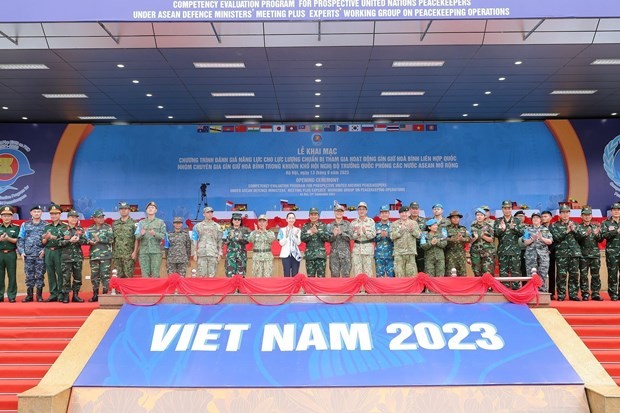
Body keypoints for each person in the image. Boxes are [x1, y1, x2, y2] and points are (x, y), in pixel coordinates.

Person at [550, 205, 582, 301]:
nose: (565, 214)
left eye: (567, 212)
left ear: (569, 213)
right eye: (563, 212)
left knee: (574, 275)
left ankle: (573, 294)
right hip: (561, 254)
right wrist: (567, 231)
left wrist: (574, 230)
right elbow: (555, 237)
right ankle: (561, 295)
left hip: (574, 254)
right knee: (561, 276)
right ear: (560, 214)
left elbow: (581, 237)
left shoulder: (575, 224)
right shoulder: (554, 225)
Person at [17, 205, 46, 302]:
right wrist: (21, 252)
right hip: (28, 255)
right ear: (31, 213)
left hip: (40, 255)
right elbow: (20, 239)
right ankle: (29, 296)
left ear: (41, 213)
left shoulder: (46, 225)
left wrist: (45, 250)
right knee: (29, 275)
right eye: (35, 211)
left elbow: (49, 240)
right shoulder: (25, 225)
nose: (37, 213)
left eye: (38, 211)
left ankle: (39, 296)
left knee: (40, 275)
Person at [494, 200, 525, 289]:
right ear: (502, 209)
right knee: (503, 273)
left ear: (511, 209)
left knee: (515, 272)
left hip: (515, 251)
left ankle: (516, 292)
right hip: (503, 251)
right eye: (505, 208)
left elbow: (522, 233)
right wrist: (502, 229)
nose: (507, 210)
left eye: (509, 208)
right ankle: (505, 291)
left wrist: (514, 228)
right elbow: (495, 234)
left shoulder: (516, 220)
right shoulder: (498, 221)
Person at [58, 210, 87, 303]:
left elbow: (85, 241)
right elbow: (58, 243)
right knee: (66, 278)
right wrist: (69, 241)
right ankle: (66, 296)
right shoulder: (62, 229)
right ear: (68, 218)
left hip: (77, 257)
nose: (74, 219)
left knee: (77, 277)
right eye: (72, 217)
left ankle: (75, 295)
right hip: (66, 258)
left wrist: (78, 240)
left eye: (75, 217)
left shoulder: (80, 229)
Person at [521, 212, 553, 292]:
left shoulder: (545, 229)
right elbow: (525, 242)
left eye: (537, 218)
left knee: (543, 273)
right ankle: (531, 291)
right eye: (534, 218)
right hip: (531, 255)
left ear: (540, 220)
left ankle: (542, 292)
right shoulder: (527, 230)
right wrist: (532, 239)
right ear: (531, 220)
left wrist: (542, 238)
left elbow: (550, 241)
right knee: (531, 274)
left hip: (543, 256)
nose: (535, 219)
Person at [576, 206, 602, 301]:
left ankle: (595, 293)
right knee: (583, 275)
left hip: (595, 255)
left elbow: (600, 239)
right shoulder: (578, 227)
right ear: (581, 216)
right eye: (585, 215)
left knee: (595, 275)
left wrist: (597, 234)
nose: (587, 217)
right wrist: (585, 234)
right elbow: (576, 239)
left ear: (591, 216)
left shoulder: (595, 226)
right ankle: (585, 293)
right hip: (583, 254)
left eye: (589, 215)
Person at [86, 210, 113, 302]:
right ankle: (95, 294)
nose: (101, 219)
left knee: (105, 276)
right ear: (94, 219)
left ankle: (105, 295)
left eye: (102, 217)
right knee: (94, 276)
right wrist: (89, 241)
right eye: (99, 217)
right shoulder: (90, 229)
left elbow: (111, 239)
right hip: (94, 256)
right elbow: (86, 239)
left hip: (105, 256)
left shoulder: (108, 227)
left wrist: (100, 239)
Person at [41, 204, 67, 302]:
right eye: (52, 214)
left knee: (60, 273)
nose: (54, 216)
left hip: (59, 251)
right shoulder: (47, 226)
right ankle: (53, 294)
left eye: (56, 214)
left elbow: (66, 239)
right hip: (48, 251)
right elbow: (43, 241)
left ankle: (61, 293)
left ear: (60, 214)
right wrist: (46, 238)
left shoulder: (65, 226)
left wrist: (52, 237)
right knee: (50, 273)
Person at [136, 201, 166, 278]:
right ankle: (146, 290)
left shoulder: (160, 222)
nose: (150, 209)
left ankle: (155, 290)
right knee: (145, 274)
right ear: (146, 210)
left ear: (156, 210)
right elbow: (136, 237)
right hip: (144, 252)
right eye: (149, 208)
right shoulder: (141, 222)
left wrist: (155, 234)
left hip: (156, 252)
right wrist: (141, 234)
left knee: (155, 274)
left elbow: (163, 236)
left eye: (152, 208)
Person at [192, 206, 223, 278]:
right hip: (202, 254)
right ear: (204, 214)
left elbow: (220, 241)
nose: (210, 214)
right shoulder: (197, 226)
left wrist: (220, 253)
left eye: (211, 212)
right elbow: (194, 240)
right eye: (208, 212)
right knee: (202, 276)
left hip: (213, 253)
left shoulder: (217, 226)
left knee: (212, 276)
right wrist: (194, 253)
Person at [391, 205, 421, 277]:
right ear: (399, 214)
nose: (404, 214)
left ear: (409, 213)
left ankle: (412, 289)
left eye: (406, 212)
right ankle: (400, 288)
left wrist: (412, 230)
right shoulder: (394, 224)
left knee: (411, 274)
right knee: (399, 274)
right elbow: (391, 236)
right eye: (402, 213)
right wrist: (400, 231)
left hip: (410, 252)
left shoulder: (414, 223)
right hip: (399, 253)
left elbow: (419, 235)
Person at [301, 208, 331, 277]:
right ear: (309, 216)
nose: (313, 216)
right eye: (311, 214)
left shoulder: (323, 226)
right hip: (309, 256)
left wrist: (318, 232)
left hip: (320, 255)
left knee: (321, 278)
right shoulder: (306, 226)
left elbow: (328, 238)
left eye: (315, 214)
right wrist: (310, 233)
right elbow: (302, 239)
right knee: (310, 278)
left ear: (318, 216)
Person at [112, 202, 138, 278]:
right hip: (117, 255)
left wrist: (135, 252)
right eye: (121, 209)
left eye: (125, 209)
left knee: (128, 276)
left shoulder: (134, 223)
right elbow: (113, 239)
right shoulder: (115, 224)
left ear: (129, 210)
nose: (123, 211)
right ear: (119, 211)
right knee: (118, 277)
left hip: (129, 255)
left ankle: (127, 290)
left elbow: (137, 239)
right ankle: (118, 290)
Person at [600, 202, 620, 301]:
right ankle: (613, 294)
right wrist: (616, 231)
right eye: (614, 210)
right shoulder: (606, 223)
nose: (616, 211)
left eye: (618, 210)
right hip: (612, 252)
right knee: (612, 274)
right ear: (611, 211)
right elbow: (604, 235)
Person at [351, 202, 376, 276]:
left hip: (367, 249)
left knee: (368, 272)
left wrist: (365, 233)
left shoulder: (371, 221)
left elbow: (373, 235)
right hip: (357, 250)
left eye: (363, 209)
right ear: (357, 211)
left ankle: (367, 288)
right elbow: (350, 236)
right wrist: (357, 234)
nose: (361, 211)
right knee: (357, 272)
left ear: (366, 211)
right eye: (360, 209)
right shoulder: (353, 222)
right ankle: (359, 288)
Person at [327, 204, 353, 277]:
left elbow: (351, 237)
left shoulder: (348, 224)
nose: (339, 213)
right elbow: (328, 239)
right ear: (334, 212)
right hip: (334, 255)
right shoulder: (330, 225)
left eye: (341, 211)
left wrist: (342, 233)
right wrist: (334, 235)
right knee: (334, 276)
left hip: (345, 255)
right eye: (337, 211)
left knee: (346, 275)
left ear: (343, 212)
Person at [0, 206, 19, 303]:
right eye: (4, 215)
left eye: (8, 216)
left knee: (12, 275)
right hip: (0, 254)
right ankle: (0, 295)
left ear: (12, 217)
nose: (6, 217)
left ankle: (11, 296)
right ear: (1, 216)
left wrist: (8, 239)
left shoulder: (16, 228)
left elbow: (18, 240)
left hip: (11, 254)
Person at [470, 208, 495, 276]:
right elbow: (469, 241)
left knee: (488, 273)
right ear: (476, 216)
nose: (479, 216)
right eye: (478, 215)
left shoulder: (489, 227)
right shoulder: (472, 227)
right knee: (477, 272)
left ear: (484, 216)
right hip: (476, 253)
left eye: (481, 215)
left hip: (487, 253)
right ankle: (479, 287)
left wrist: (484, 237)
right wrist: (475, 238)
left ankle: (488, 287)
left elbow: (492, 239)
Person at [444, 210, 470, 276]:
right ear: (450, 219)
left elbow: (468, 239)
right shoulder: (446, 229)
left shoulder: (463, 228)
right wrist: (453, 239)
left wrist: (462, 239)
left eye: (457, 217)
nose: (456, 219)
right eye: (453, 218)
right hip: (450, 254)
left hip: (461, 254)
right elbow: (443, 239)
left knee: (462, 273)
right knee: (450, 274)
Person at [224, 212, 250, 277]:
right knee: (230, 275)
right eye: (235, 219)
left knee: (241, 275)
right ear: (232, 220)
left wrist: (241, 239)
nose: (237, 221)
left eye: (239, 219)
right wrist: (230, 237)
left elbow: (247, 241)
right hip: (231, 256)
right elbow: (225, 242)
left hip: (241, 256)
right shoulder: (227, 230)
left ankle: (240, 287)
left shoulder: (244, 230)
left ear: (241, 221)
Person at [278, 212, 302, 277]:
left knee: (295, 274)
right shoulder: (282, 230)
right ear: (286, 219)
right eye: (289, 218)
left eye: (293, 218)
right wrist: (286, 236)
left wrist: (294, 236)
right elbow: (281, 243)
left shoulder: (298, 230)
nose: (291, 220)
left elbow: (298, 243)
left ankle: (295, 287)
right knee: (286, 274)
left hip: (295, 255)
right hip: (286, 255)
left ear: (295, 219)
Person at [374, 205, 395, 277]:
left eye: (386, 212)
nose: (384, 214)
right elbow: (372, 238)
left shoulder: (393, 225)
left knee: (391, 276)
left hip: (391, 255)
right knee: (380, 277)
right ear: (380, 215)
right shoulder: (375, 226)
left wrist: (388, 236)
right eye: (382, 213)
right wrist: (380, 236)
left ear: (389, 214)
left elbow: (396, 238)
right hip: (379, 255)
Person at [541, 210, 557, 298]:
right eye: (542, 217)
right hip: (540, 253)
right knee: (541, 273)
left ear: (550, 218)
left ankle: (551, 292)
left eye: (545, 216)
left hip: (551, 253)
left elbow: (556, 241)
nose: (543, 218)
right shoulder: (539, 228)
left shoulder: (554, 228)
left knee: (551, 273)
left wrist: (550, 250)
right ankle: (541, 290)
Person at [409, 202, 426, 273]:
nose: (415, 210)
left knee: (421, 270)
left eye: (416, 209)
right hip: (409, 249)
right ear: (410, 210)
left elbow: (428, 233)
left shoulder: (424, 221)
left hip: (421, 249)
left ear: (419, 210)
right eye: (413, 209)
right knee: (411, 271)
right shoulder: (406, 220)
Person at [514, 210, 528, 277]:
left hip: (525, 251)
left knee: (524, 270)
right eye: (519, 216)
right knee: (515, 270)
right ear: (515, 217)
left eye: (522, 216)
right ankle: (515, 287)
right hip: (514, 251)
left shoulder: (528, 227)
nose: (521, 217)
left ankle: (525, 286)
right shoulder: (512, 227)